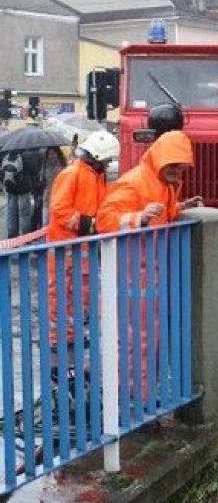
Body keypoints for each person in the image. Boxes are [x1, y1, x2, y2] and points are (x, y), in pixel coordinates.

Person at [96, 130, 203, 399]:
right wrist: (137, 219)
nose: (179, 171)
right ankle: (132, 403)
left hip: (150, 275)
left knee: (150, 341)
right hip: (133, 275)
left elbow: (162, 214)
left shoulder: (162, 185)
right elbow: (105, 220)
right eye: (175, 165)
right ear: (161, 160)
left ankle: (141, 400)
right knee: (136, 342)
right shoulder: (134, 182)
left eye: (182, 166)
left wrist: (180, 206)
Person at [47, 130, 121, 375]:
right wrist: (86, 223)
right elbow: (60, 209)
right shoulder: (73, 174)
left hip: (83, 246)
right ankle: (60, 342)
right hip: (66, 247)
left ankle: (72, 337)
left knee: (81, 294)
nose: (108, 165)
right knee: (61, 294)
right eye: (107, 161)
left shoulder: (94, 175)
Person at [1, 150, 33, 238]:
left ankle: (12, 237)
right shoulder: (26, 153)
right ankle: (26, 238)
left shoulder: (5, 153)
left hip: (10, 187)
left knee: (11, 213)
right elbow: (33, 169)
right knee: (24, 214)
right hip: (23, 188)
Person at [42, 146, 68, 225]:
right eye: (49, 154)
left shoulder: (63, 166)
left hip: (61, 198)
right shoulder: (45, 165)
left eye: (53, 153)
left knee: (58, 223)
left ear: (58, 153)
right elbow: (43, 180)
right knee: (46, 222)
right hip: (48, 197)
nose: (51, 156)